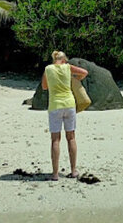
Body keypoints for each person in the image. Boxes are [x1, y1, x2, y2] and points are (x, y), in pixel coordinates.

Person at [41, 50, 88, 181]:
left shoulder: (48, 69)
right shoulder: (68, 68)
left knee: (55, 140)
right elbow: (84, 72)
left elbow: (44, 87)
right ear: (64, 60)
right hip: (69, 104)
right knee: (71, 137)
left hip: (55, 105)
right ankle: (73, 170)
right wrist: (76, 80)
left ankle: (55, 174)